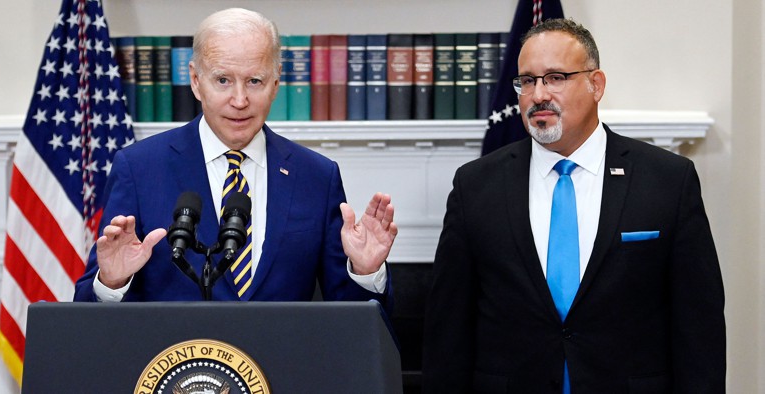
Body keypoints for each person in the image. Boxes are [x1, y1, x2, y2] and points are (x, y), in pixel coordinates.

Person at [423, 18, 725, 393]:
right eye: (528, 81)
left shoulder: (667, 180)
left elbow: (700, 327)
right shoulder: (475, 185)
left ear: (595, 84)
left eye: (555, 78)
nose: (538, 95)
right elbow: (448, 329)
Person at [73, 8, 397, 306]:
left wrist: (365, 271)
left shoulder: (317, 176)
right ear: (196, 81)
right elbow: (87, 317)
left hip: (281, 367)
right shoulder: (139, 168)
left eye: (254, 81)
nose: (239, 100)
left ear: (275, 82)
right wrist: (113, 281)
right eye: (223, 80)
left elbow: (353, 326)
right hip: (178, 366)